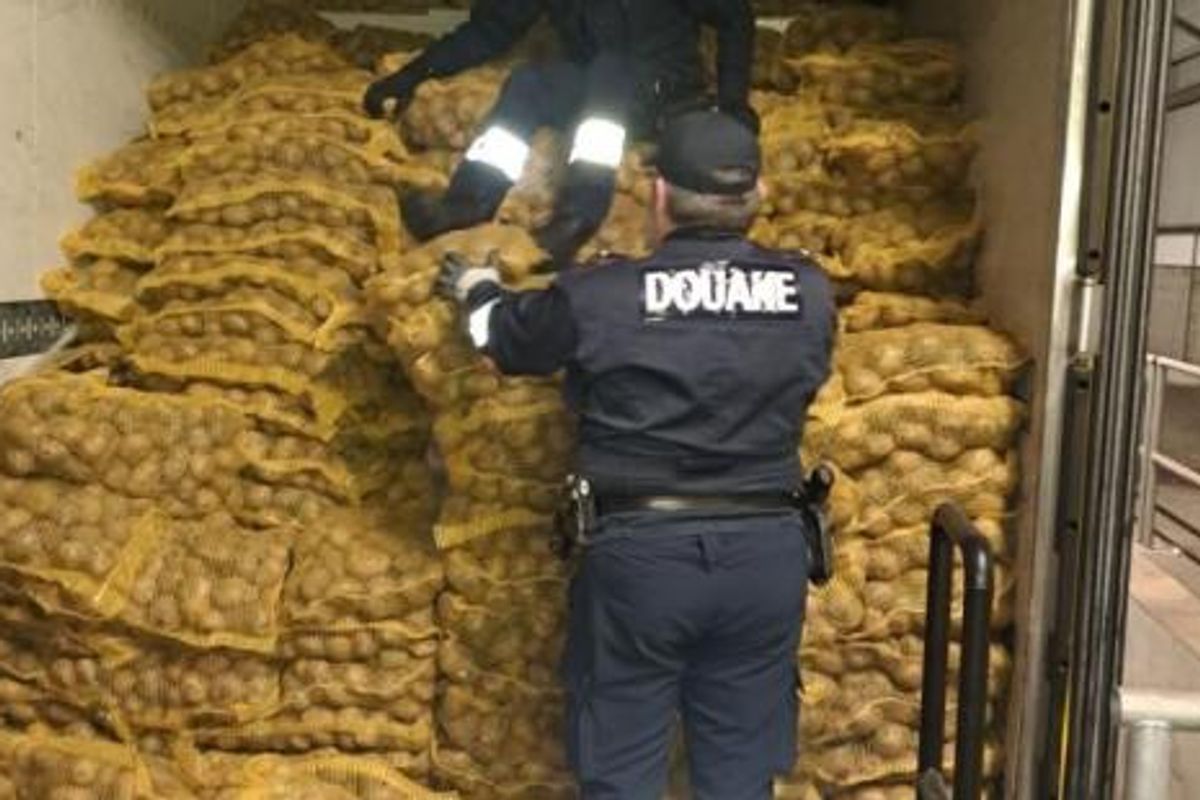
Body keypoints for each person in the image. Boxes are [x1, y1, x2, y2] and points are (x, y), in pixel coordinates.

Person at [434, 110, 837, 800]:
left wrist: (477, 291)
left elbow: (504, 338)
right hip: (767, 557)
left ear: (657, 196)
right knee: (741, 776)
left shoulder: (603, 295)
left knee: (620, 768)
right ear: (756, 194)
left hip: (642, 561)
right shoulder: (810, 292)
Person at [363, 0, 757, 265]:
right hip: (597, 88)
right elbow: (489, 31)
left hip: (666, 94)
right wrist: (412, 75)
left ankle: (579, 214)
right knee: (530, 82)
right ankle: (469, 201)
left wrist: (733, 103)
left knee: (610, 68)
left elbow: (735, 18)